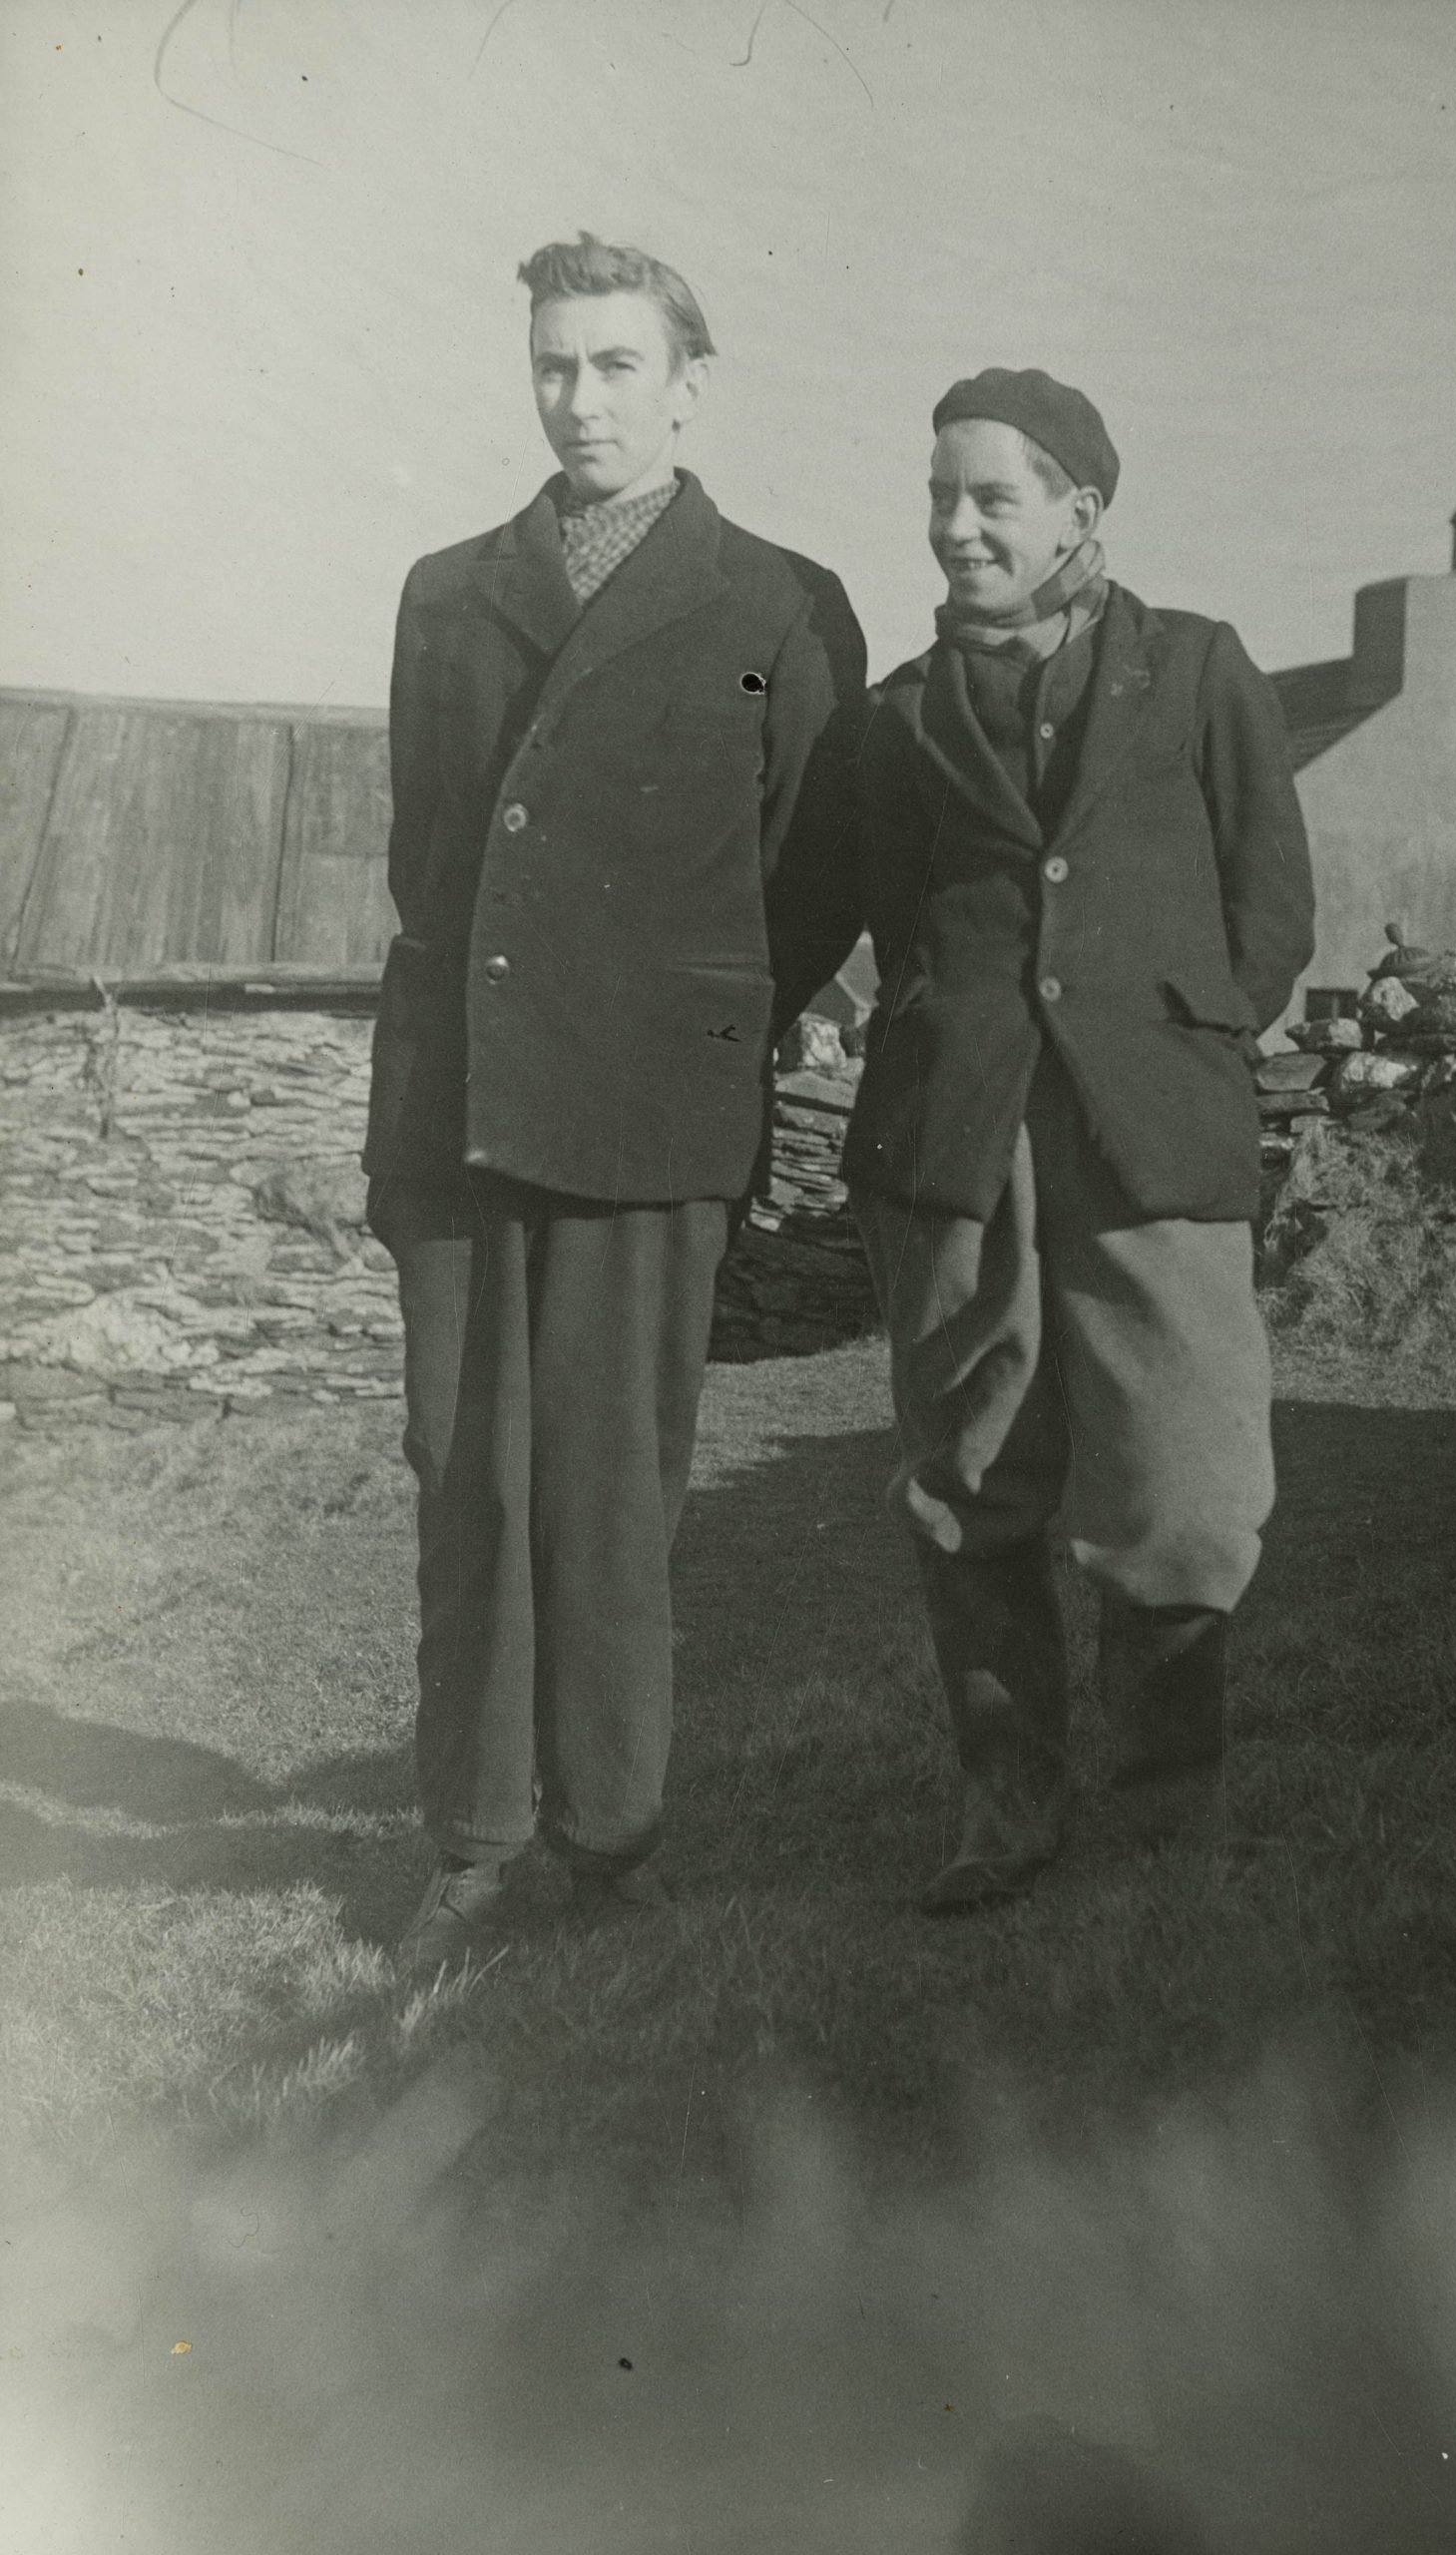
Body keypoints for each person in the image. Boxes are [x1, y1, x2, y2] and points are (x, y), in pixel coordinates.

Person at [365, 234, 862, 1966]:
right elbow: (436, 844)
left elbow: (808, 871)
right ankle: (477, 1837)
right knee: (467, 1470)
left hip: (653, 1103)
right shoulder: (449, 588)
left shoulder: (775, 607)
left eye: (615, 366)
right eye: (555, 366)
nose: (580, 399)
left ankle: (610, 1841)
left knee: (611, 1480)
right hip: (466, 1103)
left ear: (688, 385)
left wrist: (700, 1019)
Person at [844, 367, 1315, 1915]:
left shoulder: (1194, 671)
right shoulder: (901, 715)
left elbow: (1270, 903)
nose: (957, 527)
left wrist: (1182, 1034)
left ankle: (1171, 1802)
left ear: (1079, 512)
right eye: (940, 498)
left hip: (1147, 1124)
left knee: (1182, 1477)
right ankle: (1007, 1802)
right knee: (971, 1467)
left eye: (992, 497)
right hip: (963, 1131)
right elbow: (873, 910)